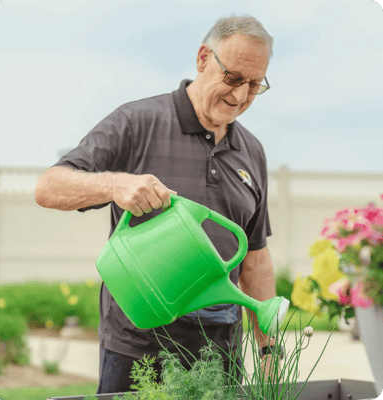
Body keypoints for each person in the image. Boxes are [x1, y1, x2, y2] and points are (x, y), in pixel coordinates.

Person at [35, 14, 283, 394]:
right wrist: (116, 184)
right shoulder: (137, 122)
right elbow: (49, 187)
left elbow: (256, 259)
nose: (240, 96)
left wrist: (268, 351)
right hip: (137, 353)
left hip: (220, 358)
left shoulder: (252, 151)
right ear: (203, 59)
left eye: (254, 85)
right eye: (233, 78)